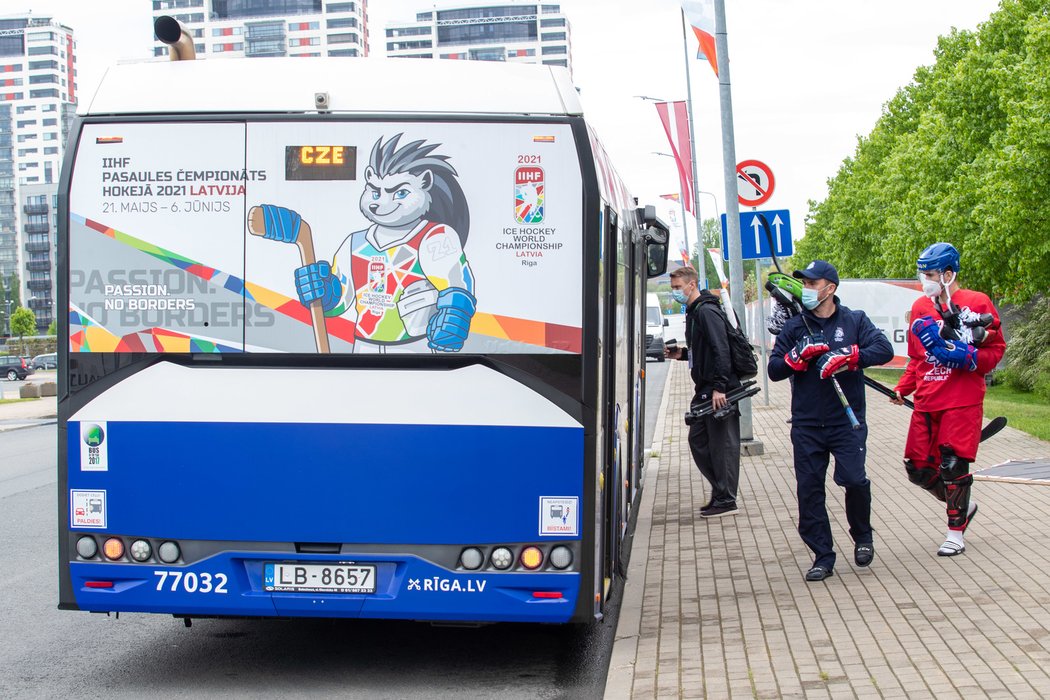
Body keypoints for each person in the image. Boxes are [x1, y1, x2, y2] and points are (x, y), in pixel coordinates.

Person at [768, 260, 893, 581]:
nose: (808, 289)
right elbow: (774, 369)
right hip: (807, 424)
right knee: (809, 490)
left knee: (854, 479)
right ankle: (822, 555)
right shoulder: (796, 326)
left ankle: (862, 535)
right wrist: (796, 359)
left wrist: (851, 356)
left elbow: (883, 349)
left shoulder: (854, 320)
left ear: (830, 288)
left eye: (812, 283)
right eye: (805, 284)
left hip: (846, 421)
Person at [891, 242, 1005, 556]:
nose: (923, 279)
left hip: (962, 399)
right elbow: (917, 358)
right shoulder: (920, 308)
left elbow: (995, 350)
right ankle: (962, 506)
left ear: (948, 273)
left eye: (929, 274)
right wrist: (904, 388)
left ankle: (955, 532)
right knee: (917, 469)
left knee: (953, 464)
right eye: (922, 273)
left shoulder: (977, 302)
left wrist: (969, 358)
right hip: (928, 400)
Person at [665, 266, 741, 518]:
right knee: (699, 440)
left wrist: (720, 387)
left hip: (718, 388)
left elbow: (721, 350)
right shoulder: (696, 311)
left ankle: (726, 498)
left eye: (678, 287)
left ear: (692, 284)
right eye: (673, 288)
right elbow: (704, 351)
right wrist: (683, 354)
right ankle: (721, 492)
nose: (675, 292)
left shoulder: (707, 311)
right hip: (707, 386)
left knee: (722, 445)